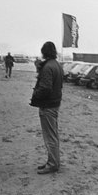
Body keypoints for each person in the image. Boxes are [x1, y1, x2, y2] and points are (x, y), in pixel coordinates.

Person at [30, 42, 64, 174]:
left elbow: (45, 88)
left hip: (48, 105)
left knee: (50, 136)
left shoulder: (48, 67)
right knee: (53, 135)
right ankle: (53, 161)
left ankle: (53, 164)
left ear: (44, 52)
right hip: (54, 103)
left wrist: (36, 94)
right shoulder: (56, 65)